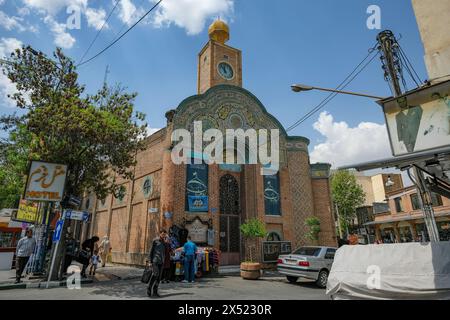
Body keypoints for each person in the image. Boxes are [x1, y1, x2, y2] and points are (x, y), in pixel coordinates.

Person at [147, 230, 167, 298]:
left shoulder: (164, 242)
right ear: (160, 234)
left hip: (161, 261)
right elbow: (151, 251)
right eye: (162, 234)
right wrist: (149, 261)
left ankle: (155, 291)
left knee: (159, 277)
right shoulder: (155, 240)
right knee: (156, 274)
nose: (163, 235)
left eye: (165, 234)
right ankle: (149, 287)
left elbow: (166, 251)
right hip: (155, 260)